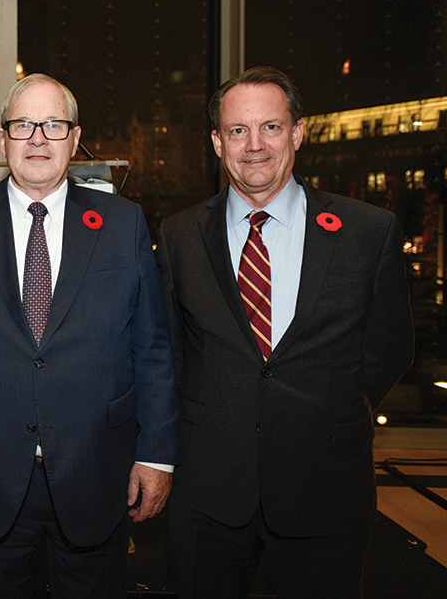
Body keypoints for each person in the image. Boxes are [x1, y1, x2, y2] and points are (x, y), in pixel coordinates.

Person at [0, 73, 179, 599]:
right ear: (2, 139)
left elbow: (152, 347)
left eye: (53, 125)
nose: (38, 138)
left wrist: (156, 454)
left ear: (75, 139)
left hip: (96, 468)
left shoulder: (123, 222)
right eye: (24, 125)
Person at [156, 66, 415, 598]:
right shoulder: (179, 235)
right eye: (237, 131)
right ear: (216, 142)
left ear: (297, 133)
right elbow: (170, 353)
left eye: (271, 127)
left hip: (326, 486)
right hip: (208, 493)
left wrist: (329, 409)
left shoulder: (368, 231)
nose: (255, 145)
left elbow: (389, 349)